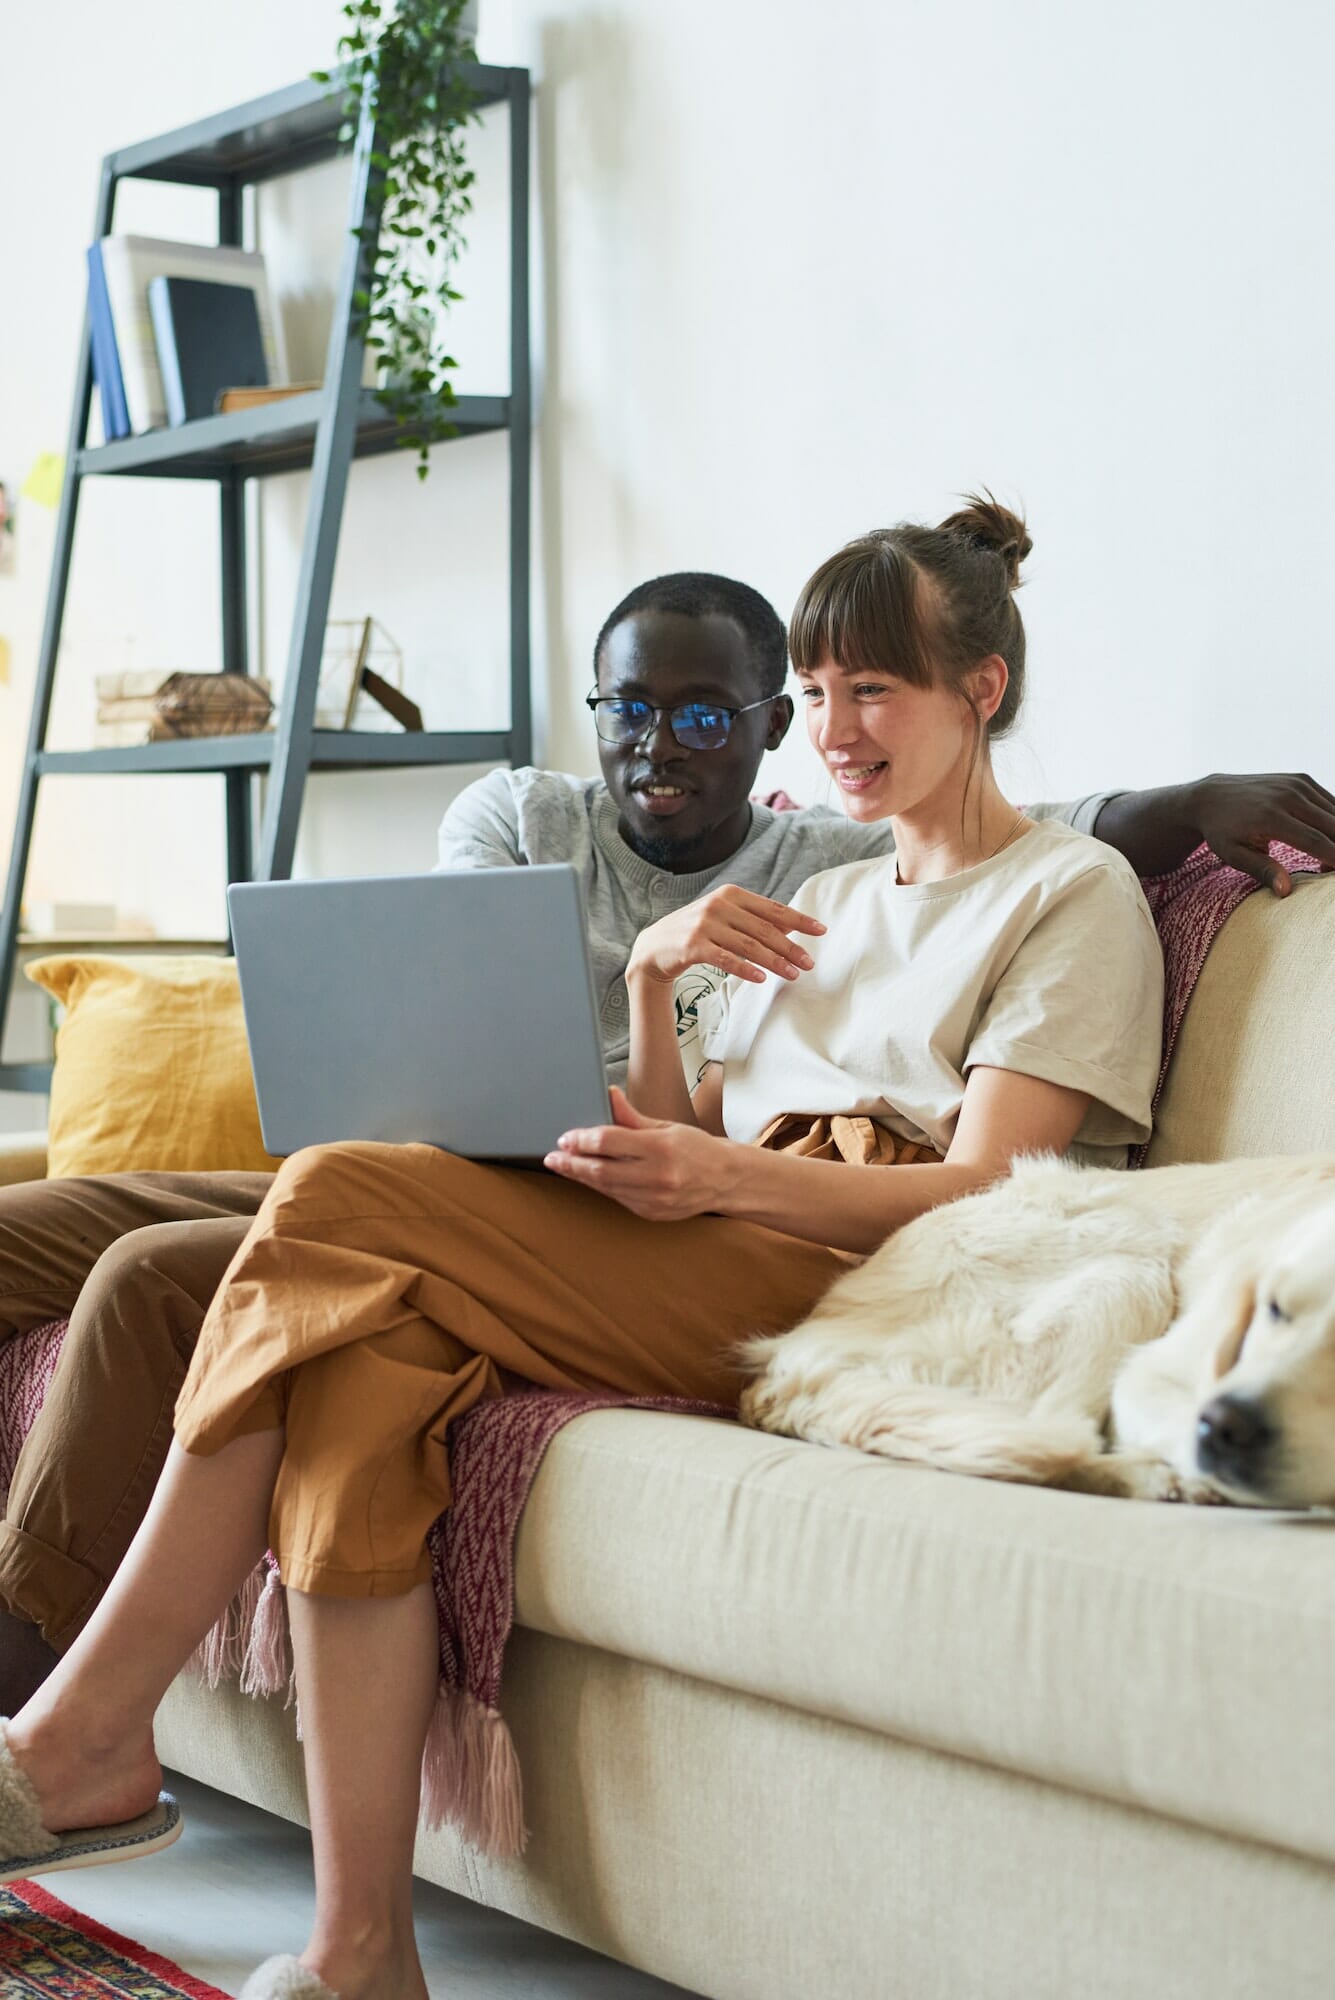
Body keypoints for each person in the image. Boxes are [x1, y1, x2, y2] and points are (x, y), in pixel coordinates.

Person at [0, 500, 1287, 1998]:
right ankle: (364, 1949)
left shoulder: (1072, 894)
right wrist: (665, 988)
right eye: (816, 697)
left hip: (876, 1269)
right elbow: (696, 1122)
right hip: (728, 1219)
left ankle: (81, 1732)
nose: (835, 732)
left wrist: (713, 1175)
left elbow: (995, 1190)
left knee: (342, 1190)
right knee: (364, 1369)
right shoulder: (828, 894)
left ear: (980, 691)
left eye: (871, 691)